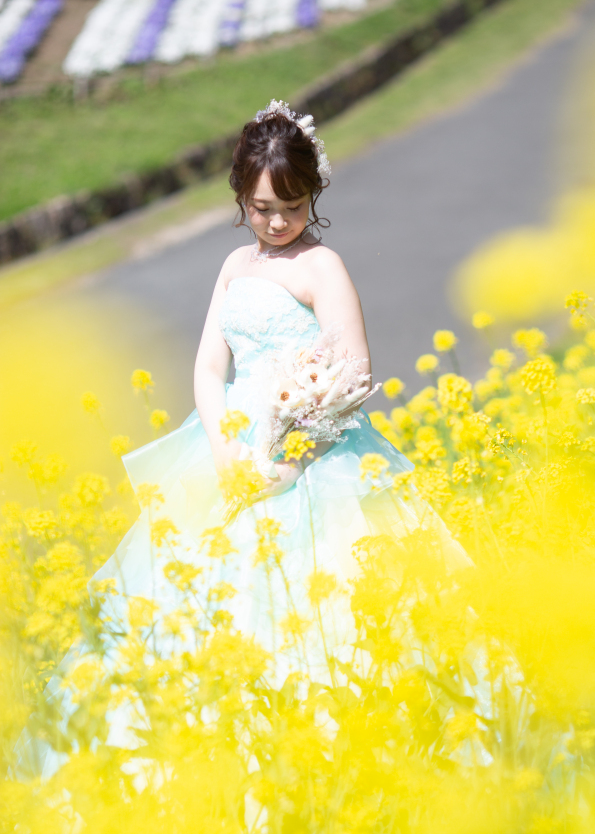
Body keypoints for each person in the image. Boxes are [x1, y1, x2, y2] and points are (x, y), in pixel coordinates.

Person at [21, 100, 461, 778]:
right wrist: (227, 455)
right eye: (261, 208)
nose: (277, 222)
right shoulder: (233, 266)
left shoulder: (323, 268)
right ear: (239, 200)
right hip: (224, 448)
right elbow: (207, 365)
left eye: (291, 205)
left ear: (313, 195)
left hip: (310, 458)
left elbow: (354, 373)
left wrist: (289, 459)